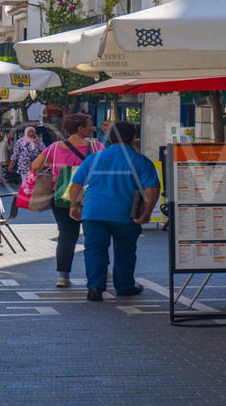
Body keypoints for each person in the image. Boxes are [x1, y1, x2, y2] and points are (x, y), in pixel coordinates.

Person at [67, 122, 160, 301]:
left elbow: (76, 184)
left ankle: (95, 287)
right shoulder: (140, 161)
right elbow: (152, 189)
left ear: (110, 138)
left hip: (93, 213)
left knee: (94, 249)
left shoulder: (94, 158)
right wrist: (147, 212)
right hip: (125, 214)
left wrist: (74, 205)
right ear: (133, 138)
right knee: (125, 250)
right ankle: (124, 286)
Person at [30, 113, 104, 287]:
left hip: (62, 197)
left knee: (66, 236)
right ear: (80, 128)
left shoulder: (54, 148)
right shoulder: (96, 147)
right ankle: (97, 270)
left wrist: (54, 168)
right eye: (90, 124)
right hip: (91, 197)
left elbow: (34, 167)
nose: (93, 127)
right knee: (94, 236)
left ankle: (63, 276)